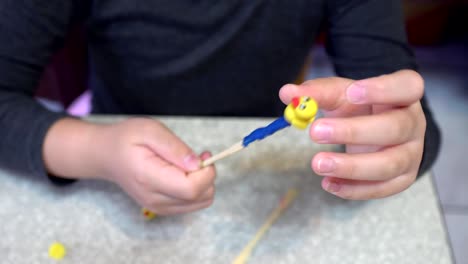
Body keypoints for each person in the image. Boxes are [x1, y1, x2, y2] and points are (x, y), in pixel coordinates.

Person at [0, 1, 440, 215]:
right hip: (108, 156)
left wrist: (391, 140)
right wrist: (96, 151)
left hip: (264, 174)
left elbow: (415, 129)